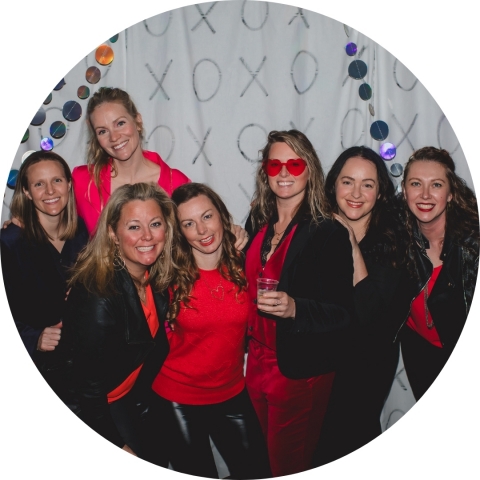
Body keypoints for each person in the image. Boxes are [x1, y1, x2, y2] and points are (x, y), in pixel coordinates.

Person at [244, 130, 355, 476]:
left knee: (288, 466)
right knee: (259, 461)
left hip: (298, 372)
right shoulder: (257, 224)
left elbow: (344, 314)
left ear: (310, 169)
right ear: (265, 170)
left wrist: (296, 308)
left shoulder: (328, 232)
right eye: (274, 163)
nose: (284, 172)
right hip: (254, 364)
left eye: (294, 163)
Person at [150, 183, 271, 479]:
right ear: (179, 231)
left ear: (221, 216)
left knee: (258, 471)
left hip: (231, 392)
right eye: (188, 224)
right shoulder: (165, 273)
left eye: (207, 217)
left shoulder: (247, 263)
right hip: (177, 397)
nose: (202, 230)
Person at [314, 146, 415, 465]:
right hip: (319, 370)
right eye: (347, 182)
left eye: (367, 184)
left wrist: (350, 243)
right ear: (333, 187)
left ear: (380, 193)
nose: (356, 193)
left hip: (364, 371)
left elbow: (369, 314)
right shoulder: (317, 235)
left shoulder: (393, 245)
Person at [62, 183, 175, 463]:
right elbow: (86, 391)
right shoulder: (98, 295)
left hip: (128, 397)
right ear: (113, 233)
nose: (147, 236)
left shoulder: (153, 276)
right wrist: (117, 446)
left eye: (155, 223)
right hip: (95, 407)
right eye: (134, 227)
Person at [1, 151, 88, 399]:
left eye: (57, 181)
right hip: (37, 370)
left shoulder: (79, 230)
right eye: (39, 184)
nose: (50, 191)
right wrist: (33, 338)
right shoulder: (10, 243)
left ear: (69, 185)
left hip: (81, 363)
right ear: (27, 193)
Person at [398, 147, 479, 400]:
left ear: (451, 193)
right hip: (419, 354)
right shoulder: (394, 239)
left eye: (436, 185)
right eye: (415, 184)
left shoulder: (472, 244)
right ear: (404, 190)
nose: (424, 195)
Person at [72, 86, 190, 235]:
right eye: (102, 131)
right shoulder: (82, 181)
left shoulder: (176, 183)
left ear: (137, 121)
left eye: (120, 123)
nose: (114, 137)